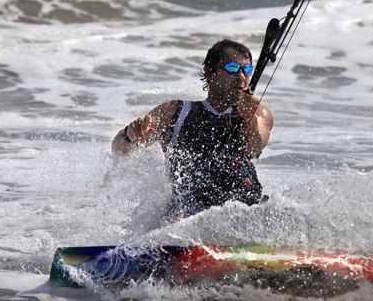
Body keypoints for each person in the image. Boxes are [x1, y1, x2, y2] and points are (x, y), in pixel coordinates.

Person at [112, 39, 274, 220]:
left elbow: (254, 147)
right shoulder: (174, 112)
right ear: (210, 73)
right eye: (232, 68)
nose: (241, 77)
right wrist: (131, 136)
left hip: (244, 211)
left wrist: (249, 119)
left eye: (246, 70)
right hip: (187, 216)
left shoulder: (259, 114)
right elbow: (120, 149)